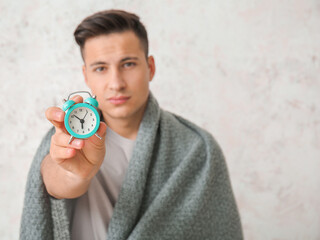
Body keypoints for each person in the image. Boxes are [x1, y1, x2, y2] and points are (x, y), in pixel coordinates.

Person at [20, 9, 243, 240]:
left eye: (128, 64)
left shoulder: (198, 150)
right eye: (100, 68)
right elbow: (53, 180)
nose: (116, 83)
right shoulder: (65, 138)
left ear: (151, 68)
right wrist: (74, 173)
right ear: (86, 76)